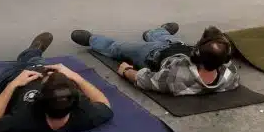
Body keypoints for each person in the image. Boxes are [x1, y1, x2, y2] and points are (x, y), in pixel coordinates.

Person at [71, 23, 240, 96]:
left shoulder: (177, 78)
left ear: (196, 54)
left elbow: (144, 80)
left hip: (153, 55)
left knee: (118, 48)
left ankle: (92, 40)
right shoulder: (229, 75)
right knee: (168, 39)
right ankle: (155, 32)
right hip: (179, 49)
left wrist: (126, 71)